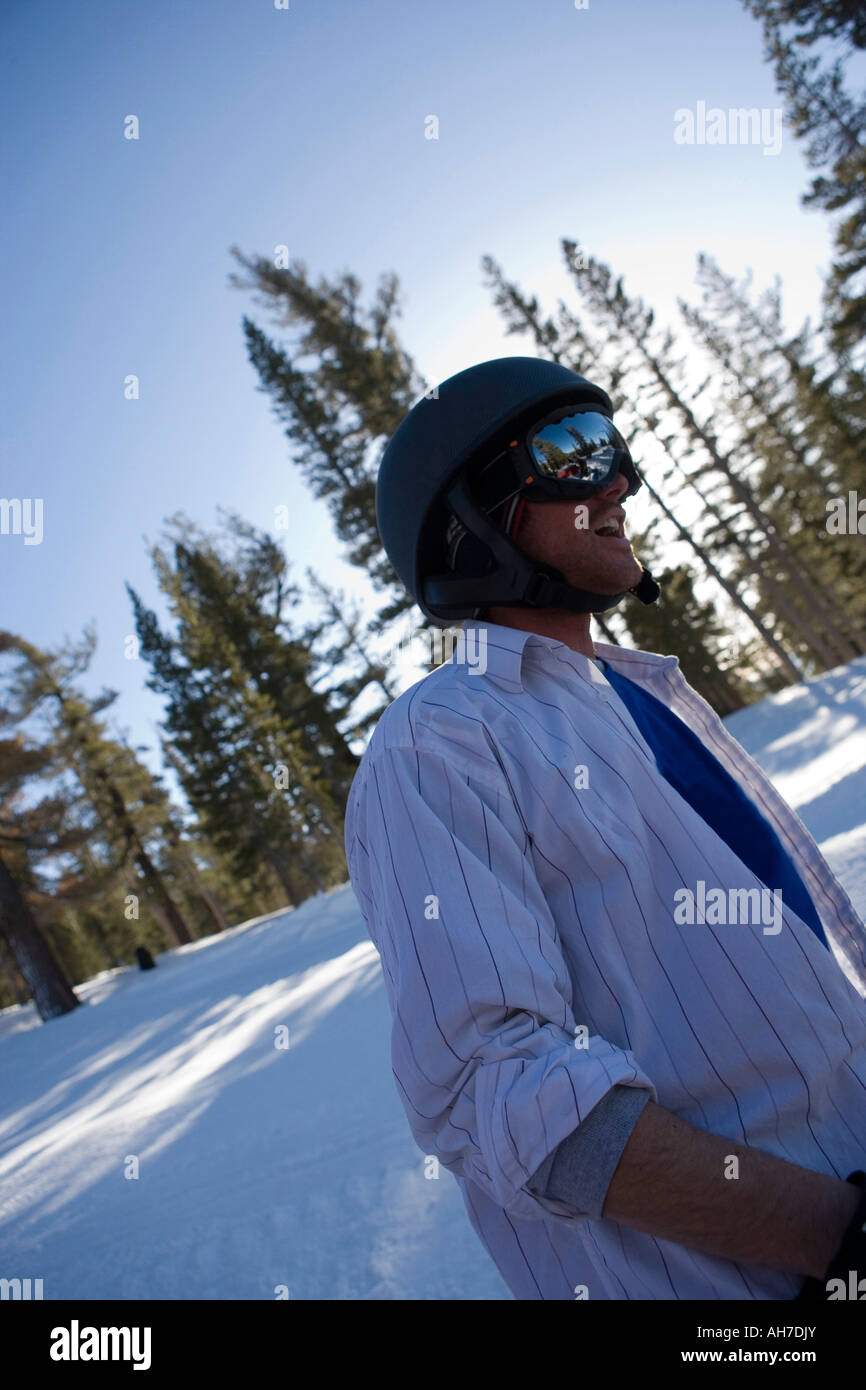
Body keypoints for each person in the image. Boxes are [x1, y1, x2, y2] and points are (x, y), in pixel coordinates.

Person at [343, 355, 866, 1300]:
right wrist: (839, 1240)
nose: (619, 479)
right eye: (572, 454)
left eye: (613, 447)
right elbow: (497, 1091)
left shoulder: (643, 692)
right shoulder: (441, 740)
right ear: (469, 522)